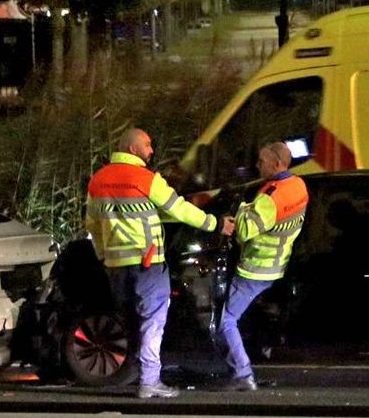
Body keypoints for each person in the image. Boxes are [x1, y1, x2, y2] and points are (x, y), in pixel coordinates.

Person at [85, 128, 235, 399]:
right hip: (147, 263)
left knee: (130, 322)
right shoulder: (145, 178)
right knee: (152, 322)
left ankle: (135, 371)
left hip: (116, 265)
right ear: (133, 149)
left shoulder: (98, 180)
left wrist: (102, 256)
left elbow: (94, 224)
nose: (151, 150)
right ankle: (150, 381)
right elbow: (179, 209)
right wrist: (215, 224)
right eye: (147, 145)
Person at [213, 141, 309, 391]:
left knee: (226, 320)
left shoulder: (270, 198)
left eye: (261, 161)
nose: (257, 165)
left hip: (255, 268)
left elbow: (244, 232)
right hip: (277, 266)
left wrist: (244, 207)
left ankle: (243, 376)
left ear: (276, 164)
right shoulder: (298, 186)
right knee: (246, 317)